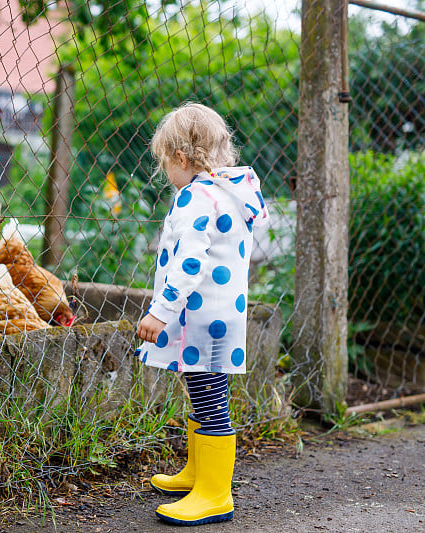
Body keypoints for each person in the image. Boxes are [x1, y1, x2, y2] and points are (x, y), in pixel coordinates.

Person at [135, 102, 269, 526]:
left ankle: (215, 494)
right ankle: (198, 473)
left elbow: (190, 263)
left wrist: (160, 312)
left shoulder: (197, 197)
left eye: (164, 164)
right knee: (202, 391)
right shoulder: (229, 190)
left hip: (199, 318)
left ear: (180, 158)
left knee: (209, 400)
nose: (165, 174)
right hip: (217, 317)